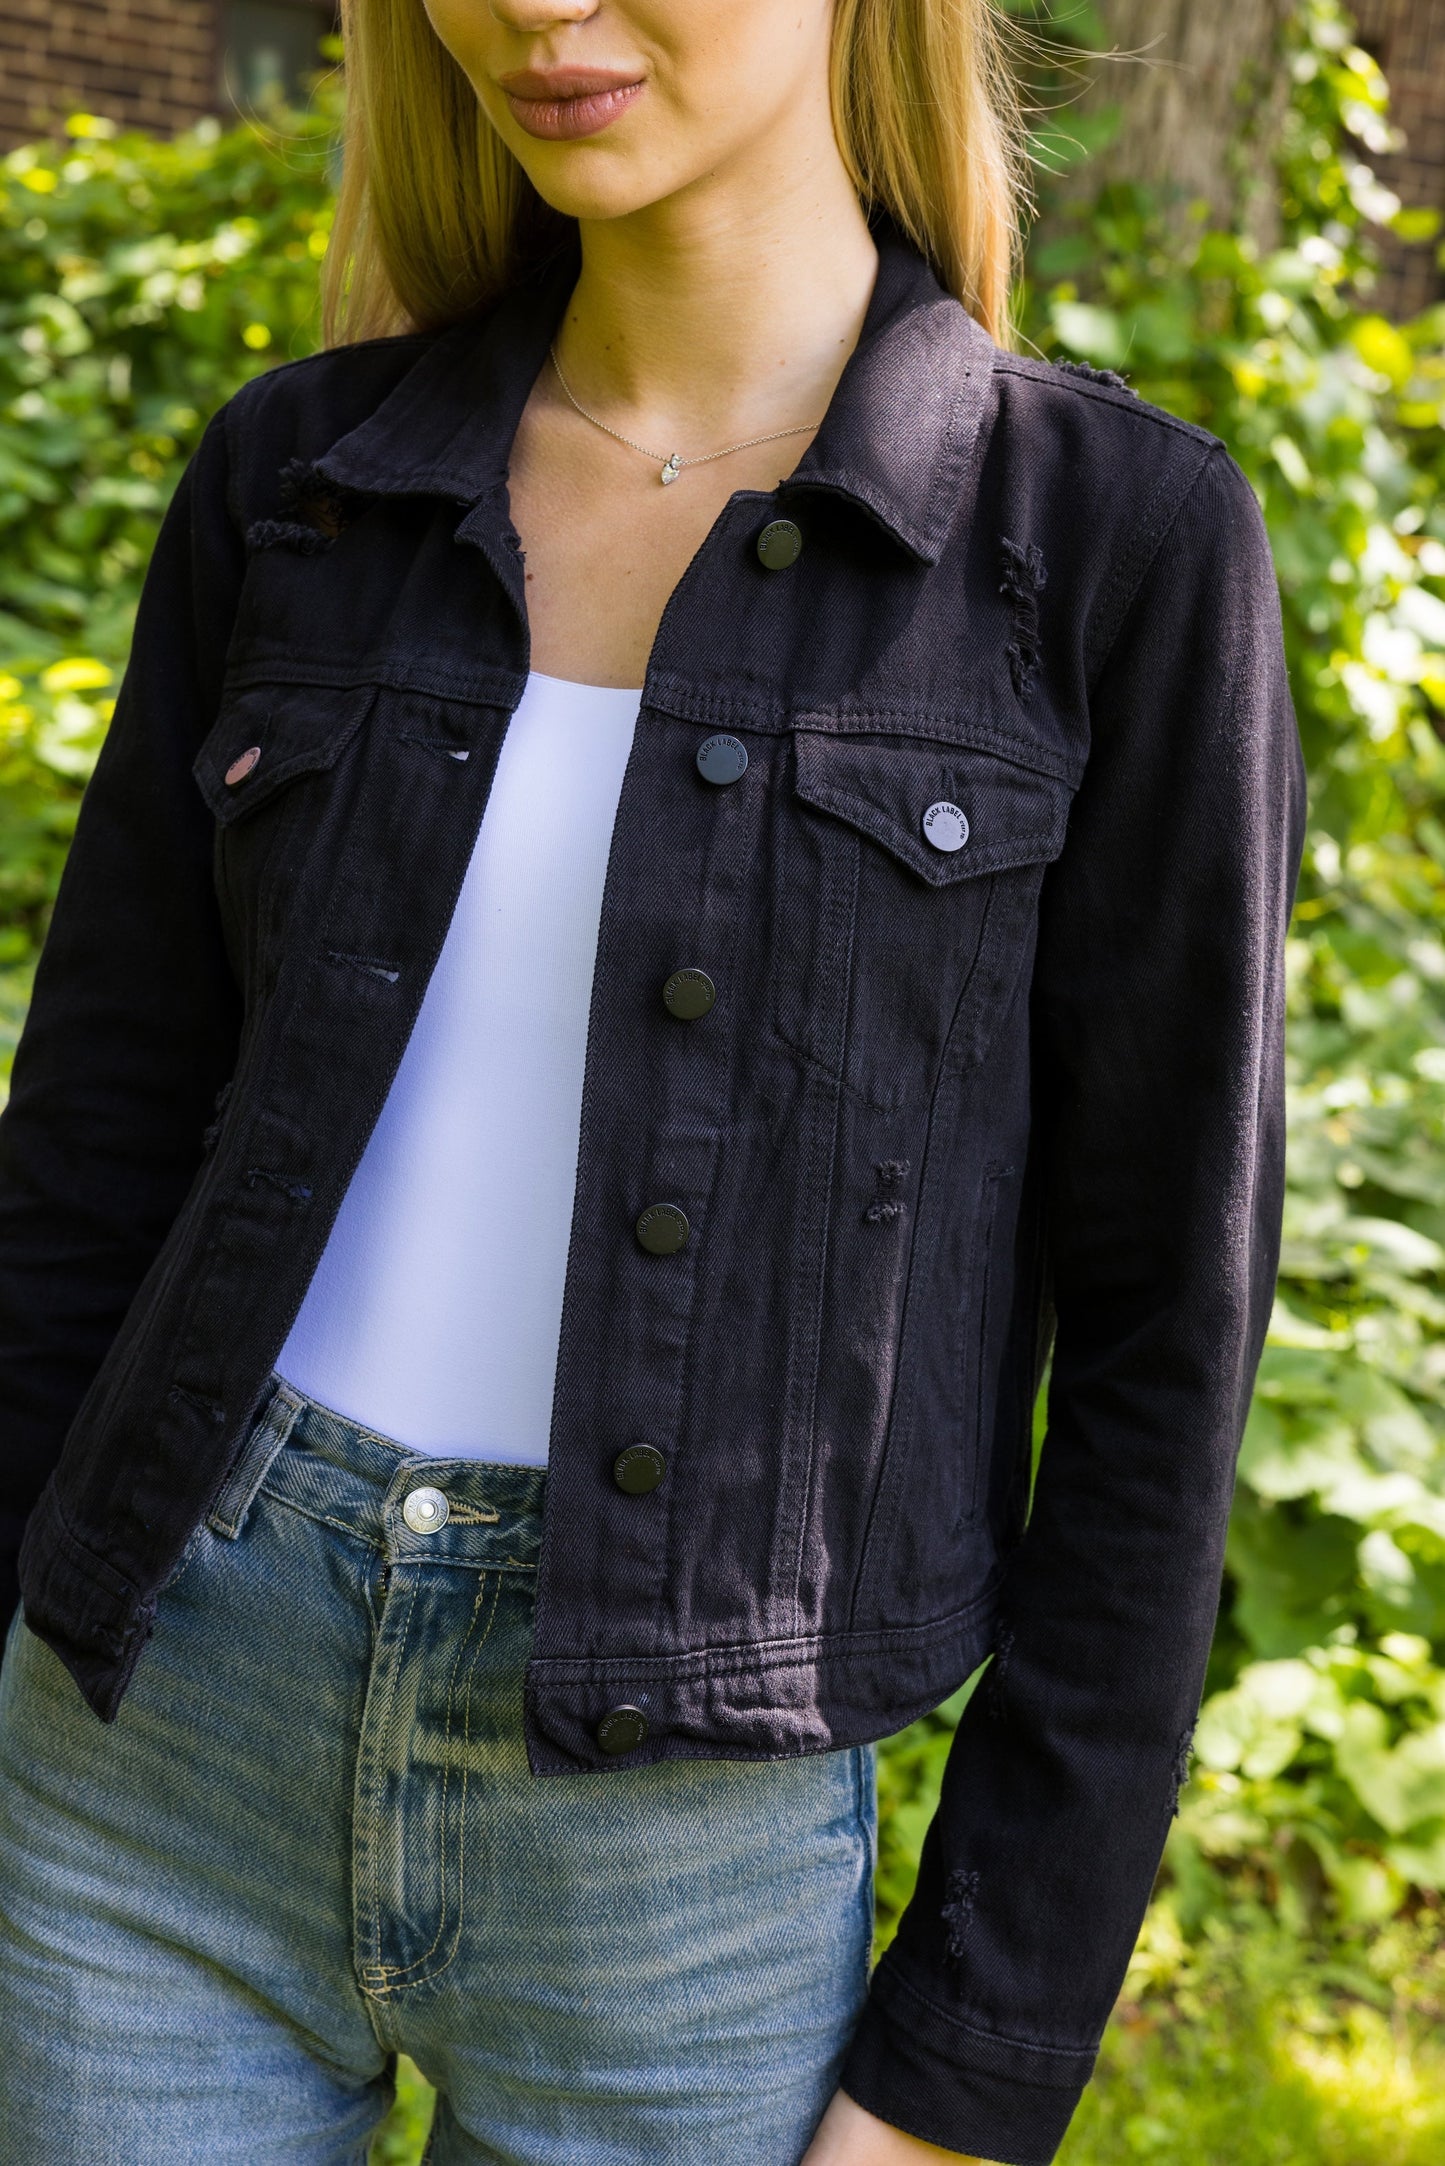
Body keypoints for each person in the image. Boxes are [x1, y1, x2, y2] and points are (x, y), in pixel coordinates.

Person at [0, 1, 1306, 2160]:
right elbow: (88, 1159)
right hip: (155, 1744)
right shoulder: (296, 483)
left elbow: (1169, 1354)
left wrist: (973, 2059)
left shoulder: (1111, 553)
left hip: (679, 1863)